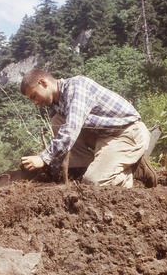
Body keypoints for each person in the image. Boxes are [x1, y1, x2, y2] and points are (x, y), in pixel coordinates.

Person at [20, 69, 157, 188]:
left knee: (93, 183)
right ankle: (87, 169)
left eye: (34, 96)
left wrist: (43, 158)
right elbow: (62, 137)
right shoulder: (54, 104)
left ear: (43, 83)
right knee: (58, 120)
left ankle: (135, 171)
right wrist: (50, 167)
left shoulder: (77, 86)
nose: (35, 102)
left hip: (127, 133)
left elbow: (70, 131)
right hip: (104, 136)